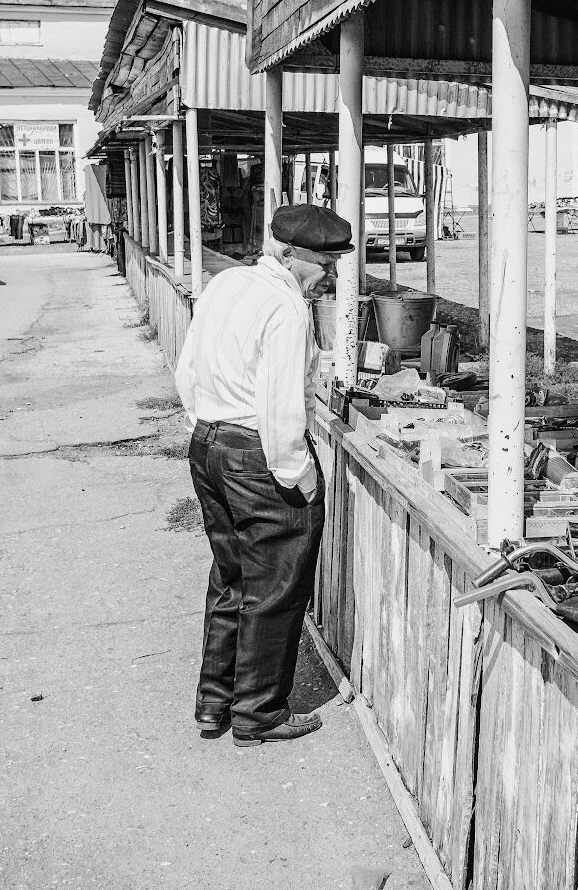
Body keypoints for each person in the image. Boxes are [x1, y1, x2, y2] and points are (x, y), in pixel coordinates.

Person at [175, 203, 352, 747]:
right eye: (324, 264)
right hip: (258, 453)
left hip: (209, 443)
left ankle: (215, 703)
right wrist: (299, 474)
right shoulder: (285, 307)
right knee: (275, 587)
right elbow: (280, 410)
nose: (331, 277)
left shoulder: (226, 284)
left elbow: (187, 370)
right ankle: (258, 714)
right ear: (292, 254)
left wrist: (212, 430)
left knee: (231, 578)